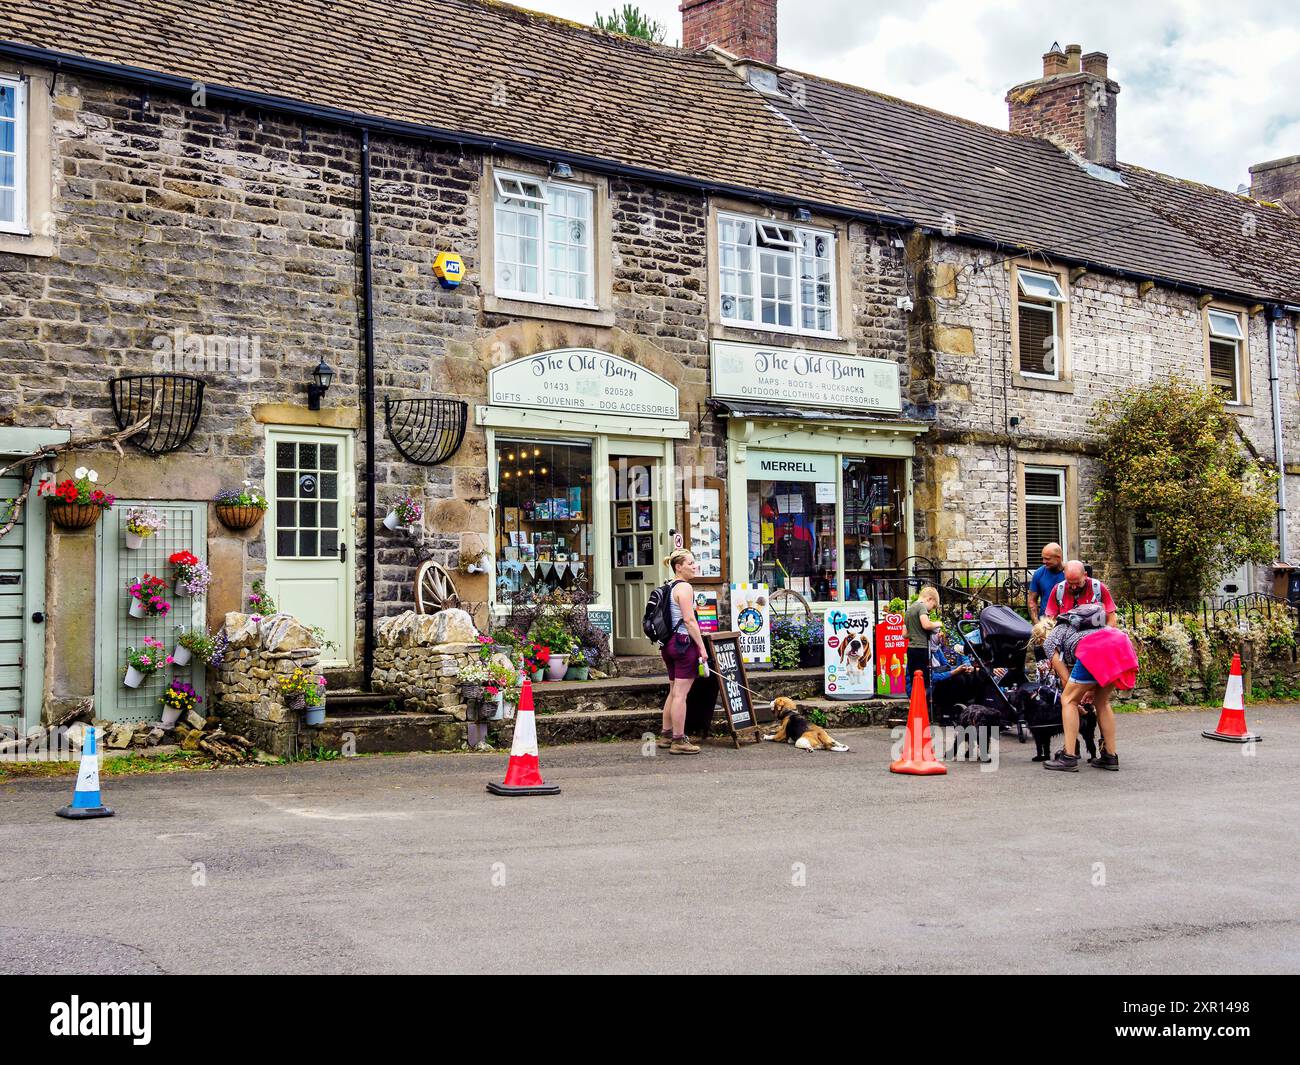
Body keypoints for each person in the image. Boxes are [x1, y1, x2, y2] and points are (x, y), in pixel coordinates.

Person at [1044, 619, 1136, 773]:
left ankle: (1069, 757)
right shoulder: (1077, 627)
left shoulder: (1049, 641)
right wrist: (1090, 690)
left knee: (1067, 700)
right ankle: (1110, 756)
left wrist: (1076, 702)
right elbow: (1094, 673)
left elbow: (1066, 680)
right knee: (1102, 701)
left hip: (1095, 648)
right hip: (1119, 643)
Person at [657, 549, 708, 755]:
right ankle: (679, 740)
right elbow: (689, 620)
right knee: (681, 695)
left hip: (668, 644)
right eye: (690, 563)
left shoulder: (669, 586)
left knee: (673, 691)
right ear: (679, 567)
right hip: (683, 643)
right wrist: (702, 647)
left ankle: (666, 734)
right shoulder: (685, 588)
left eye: (694, 562)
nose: (695, 566)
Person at [1045, 560, 1119, 627]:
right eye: (1070, 583)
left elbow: (1111, 619)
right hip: (1066, 638)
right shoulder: (1058, 590)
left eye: (1078, 583)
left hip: (1094, 637)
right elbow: (1050, 620)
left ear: (1085, 575)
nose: (1074, 587)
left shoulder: (1098, 589)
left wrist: (1105, 637)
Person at [929, 629, 980, 722]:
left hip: (939, 681)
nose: (941, 634)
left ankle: (963, 710)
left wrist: (961, 669)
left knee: (965, 677)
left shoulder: (936, 649)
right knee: (955, 680)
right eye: (937, 632)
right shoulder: (922, 653)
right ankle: (946, 714)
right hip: (928, 686)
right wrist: (954, 672)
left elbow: (947, 666)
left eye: (940, 631)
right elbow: (932, 678)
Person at [904, 586, 944, 697]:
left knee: (915, 681)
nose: (930, 610)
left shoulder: (909, 610)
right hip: (922, 649)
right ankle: (923, 707)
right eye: (932, 607)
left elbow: (904, 634)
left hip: (911, 649)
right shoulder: (921, 607)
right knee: (925, 682)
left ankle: (915, 704)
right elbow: (926, 625)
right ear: (929, 599)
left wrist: (917, 630)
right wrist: (937, 623)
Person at [1027, 542, 1065, 622]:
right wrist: (1037, 623)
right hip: (1046, 622)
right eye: (1043, 558)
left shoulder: (1069, 573)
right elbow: (1032, 601)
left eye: (1047, 559)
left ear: (1058, 558)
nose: (1044, 561)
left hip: (1066, 621)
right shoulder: (1039, 573)